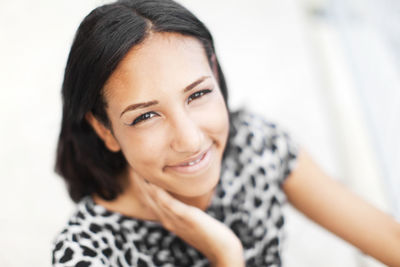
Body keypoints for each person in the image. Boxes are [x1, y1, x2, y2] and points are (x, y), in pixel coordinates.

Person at [52, 0, 400, 266]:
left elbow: (389, 238)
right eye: (146, 116)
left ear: (215, 74)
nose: (189, 140)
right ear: (104, 128)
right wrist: (226, 256)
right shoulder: (87, 252)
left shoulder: (254, 146)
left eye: (198, 94)